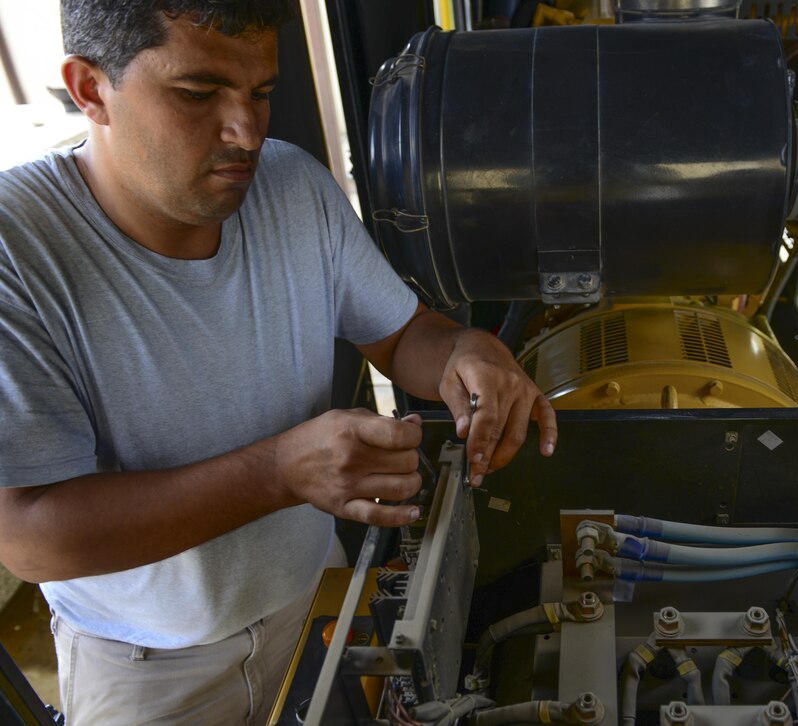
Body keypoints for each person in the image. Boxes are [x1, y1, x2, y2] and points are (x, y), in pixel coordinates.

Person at [0, 1, 557, 723]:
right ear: (89, 88)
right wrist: (282, 471)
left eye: (260, 93)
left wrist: (464, 351)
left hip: (321, 601)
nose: (246, 133)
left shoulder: (293, 188)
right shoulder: (20, 252)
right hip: (151, 667)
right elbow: (34, 539)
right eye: (197, 94)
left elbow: (400, 336)